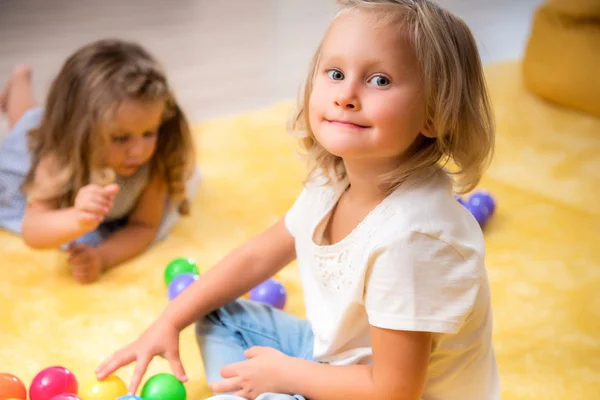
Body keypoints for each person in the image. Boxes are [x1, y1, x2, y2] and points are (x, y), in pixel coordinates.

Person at [96, 0, 498, 398]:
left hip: (386, 390)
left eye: (379, 80)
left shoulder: (413, 240)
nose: (346, 95)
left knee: (270, 375)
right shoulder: (336, 180)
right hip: (338, 363)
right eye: (336, 73)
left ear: (434, 112)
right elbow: (255, 257)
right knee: (214, 312)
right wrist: (169, 321)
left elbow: (394, 390)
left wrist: (287, 376)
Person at [0, 39, 198, 284]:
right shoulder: (58, 156)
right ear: (81, 132)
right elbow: (34, 229)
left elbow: (144, 227)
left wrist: (102, 257)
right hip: (44, 150)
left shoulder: (153, 160)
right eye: (120, 138)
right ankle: (19, 82)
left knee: (29, 120)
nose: (138, 151)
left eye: (149, 132)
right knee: (25, 122)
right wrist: (76, 218)